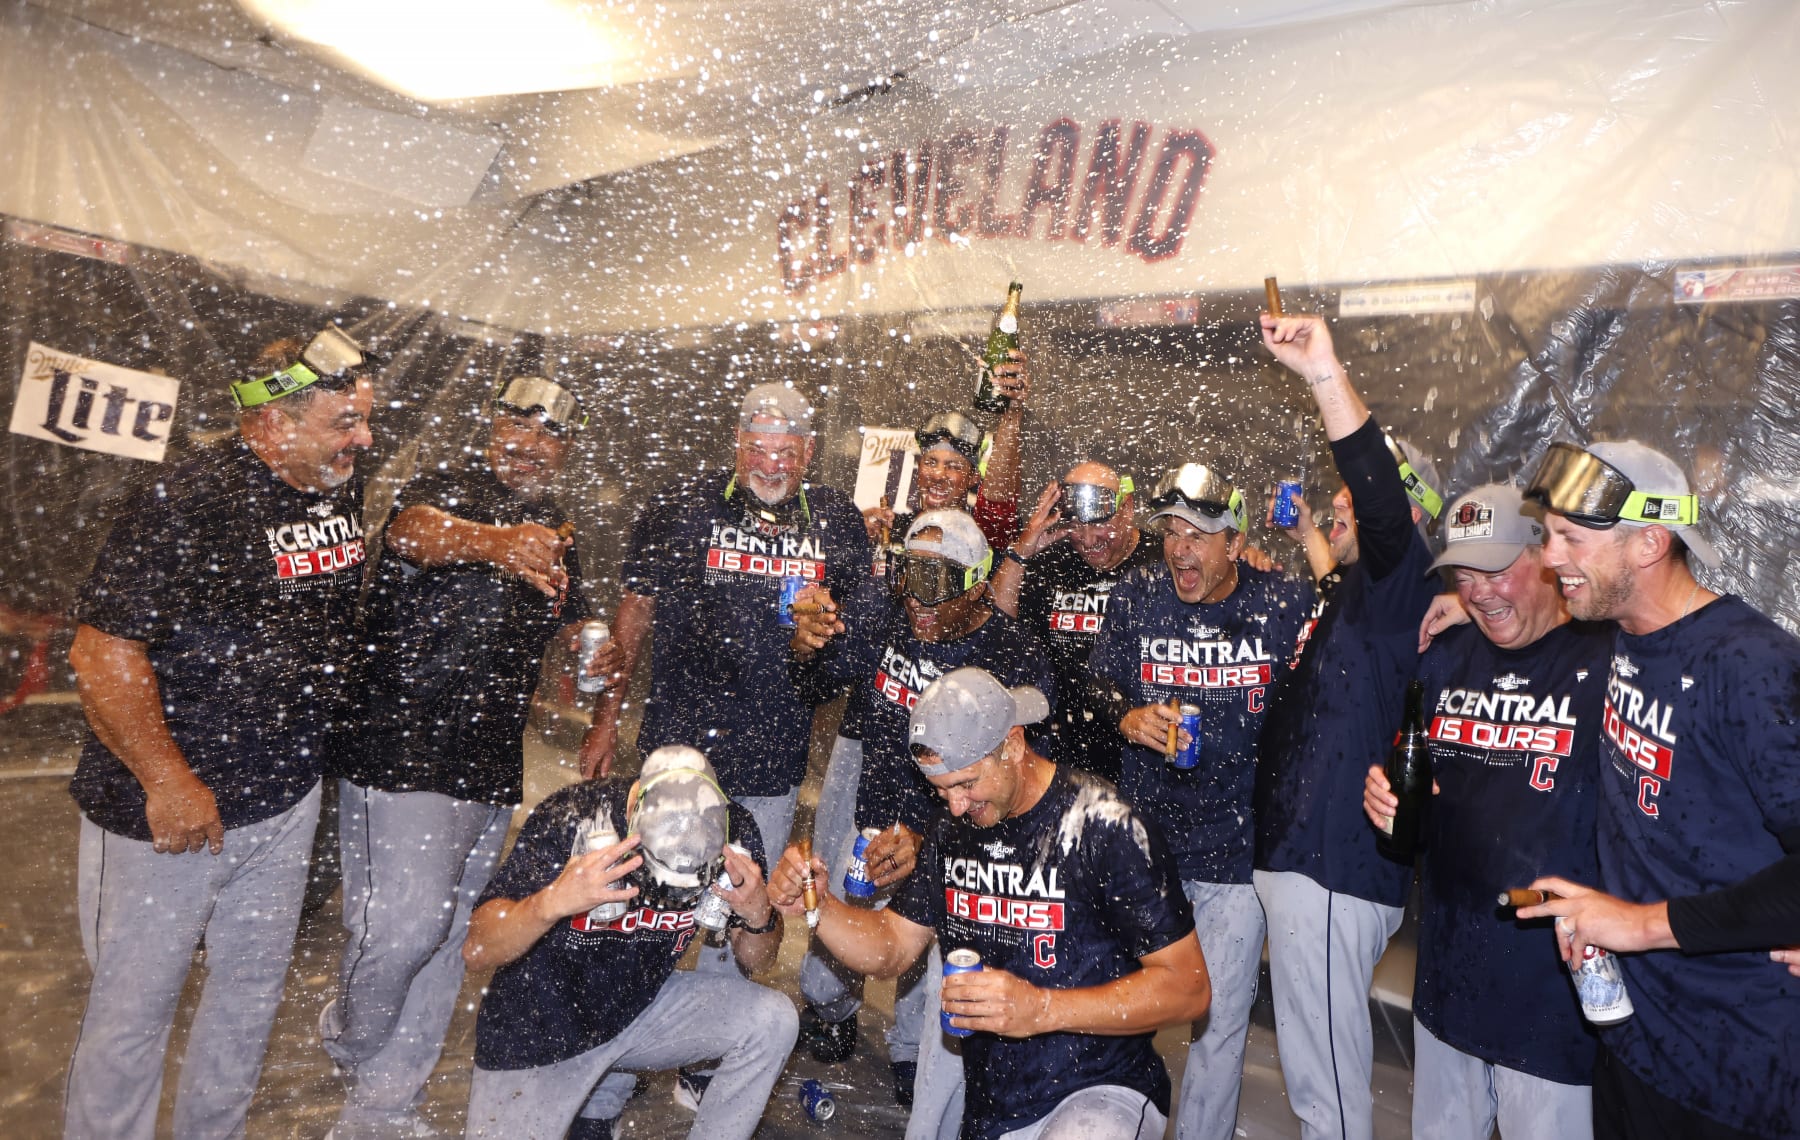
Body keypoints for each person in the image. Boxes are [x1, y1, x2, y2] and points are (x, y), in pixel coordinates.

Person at [63, 325, 376, 1140]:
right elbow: (102, 652)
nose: (363, 438)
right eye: (344, 422)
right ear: (273, 424)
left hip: (283, 801)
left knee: (246, 1003)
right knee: (132, 1016)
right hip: (165, 817)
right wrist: (168, 780)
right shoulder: (188, 499)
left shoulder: (337, 482)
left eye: (365, 418)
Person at [320, 375, 617, 1137]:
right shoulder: (443, 486)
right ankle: (347, 1035)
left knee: (450, 940)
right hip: (401, 746)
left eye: (549, 436)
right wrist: (494, 542)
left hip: (487, 764)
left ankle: (382, 1111)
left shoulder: (557, 524)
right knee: (404, 930)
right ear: (492, 428)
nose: (530, 447)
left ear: (565, 450)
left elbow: (573, 625)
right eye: (518, 428)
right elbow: (412, 533)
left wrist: (597, 651)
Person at [1495, 440, 1800, 1139]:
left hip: (1738, 1076)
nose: (1548, 558)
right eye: (1549, 536)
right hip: (1635, 1042)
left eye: (1571, 537)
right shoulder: (1622, 635)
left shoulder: (1752, 668)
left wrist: (1636, 925)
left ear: (1650, 543)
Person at [768, 666, 1212, 1140]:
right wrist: (818, 906)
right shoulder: (951, 831)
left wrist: (1042, 1008)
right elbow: (892, 947)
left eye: (967, 784)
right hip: (996, 1102)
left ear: (1015, 745)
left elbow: (1189, 988)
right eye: (941, 790)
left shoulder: (1105, 825)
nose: (956, 805)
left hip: (1101, 1089)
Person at [1362, 483, 1612, 1140]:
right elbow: (1418, 816)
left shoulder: (1611, 663)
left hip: (1556, 1009)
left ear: (1548, 556)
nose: (1479, 591)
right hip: (1450, 986)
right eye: (1463, 576)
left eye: (1497, 570)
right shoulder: (1445, 658)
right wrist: (1389, 806)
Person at [1249, 311, 1447, 1140]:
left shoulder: (1410, 576)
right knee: (1308, 1071)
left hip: (1337, 867)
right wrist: (1309, 539)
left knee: (1325, 1084)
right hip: (1302, 858)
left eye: (1350, 505)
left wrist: (1324, 372)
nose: (1341, 513)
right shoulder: (1360, 592)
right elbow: (1340, 574)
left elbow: (1377, 495)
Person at [787, 509, 1056, 1103]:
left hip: (957, 834)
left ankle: (915, 1055)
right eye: (911, 576)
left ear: (979, 580)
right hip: (877, 817)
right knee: (837, 955)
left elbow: (1017, 788)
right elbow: (817, 685)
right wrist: (806, 647)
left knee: (931, 956)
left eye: (938, 582)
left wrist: (929, 837)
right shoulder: (888, 617)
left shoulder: (1010, 658)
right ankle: (835, 1014)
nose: (920, 600)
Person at [1086, 463, 1314, 1140]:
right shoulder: (1138, 593)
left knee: (1217, 1024)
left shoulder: (1282, 602)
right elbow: (1094, 684)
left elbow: (1348, 652)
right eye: (1172, 532)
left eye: (1201, 535)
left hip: (1235, 853)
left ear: (1235, 543)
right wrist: (1125, 715)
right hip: (1144, 849)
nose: (1181, 548)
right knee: (1121, 1009)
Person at [461, 745, 794, 1140]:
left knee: (773, 1020)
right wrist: (550, 902)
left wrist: (760, 915)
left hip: (640, 1008)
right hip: (541, 1029)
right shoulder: (573, 817)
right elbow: (477, 948)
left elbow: (759, 961)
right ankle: (590, 1111)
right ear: (635, 810)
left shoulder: (732, 831)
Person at [990, 461, 1162, 782]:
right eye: (1076, 527)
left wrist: (1249, 566)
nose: (1087, 539)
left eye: (1099, 525)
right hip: (1062, 751)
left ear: (1127, 508)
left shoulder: (1162, 561)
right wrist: (1022, 551)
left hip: (1136, 751)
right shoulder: (1053, 560)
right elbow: (997, 626)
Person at [862, 346, 1030, 554]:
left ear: (973, 478)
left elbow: (997, 502)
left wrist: (1012, 413)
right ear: (919, 468)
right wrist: (857, 531)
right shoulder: (892, 529)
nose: (939, 475)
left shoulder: (981, 530)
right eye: (931, 462)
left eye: (953, 466)